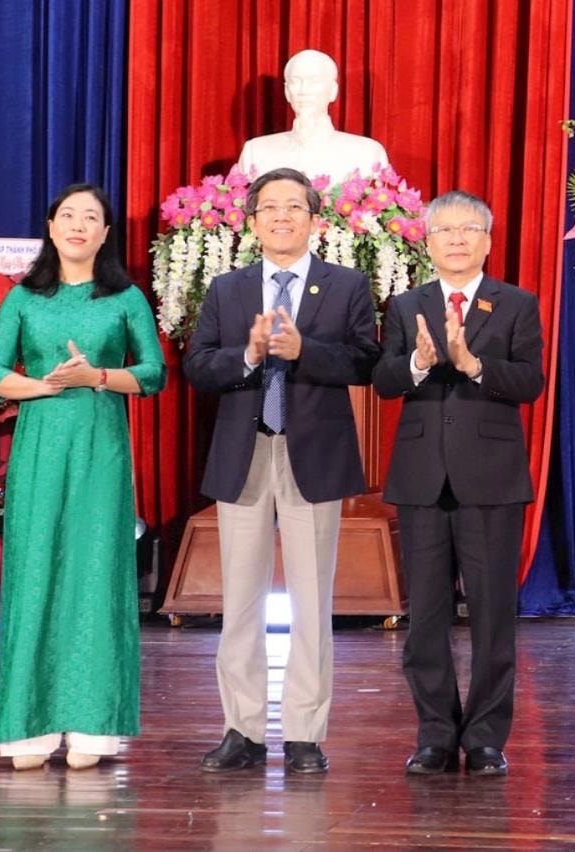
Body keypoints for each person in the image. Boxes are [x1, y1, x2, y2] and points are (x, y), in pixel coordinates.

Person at [184, 167, 380, 775]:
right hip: (244, 455)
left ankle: (304, 734)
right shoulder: (228, 287)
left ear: (314, 219)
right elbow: (198, 366)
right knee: (238, 600)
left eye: (293, 207)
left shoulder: (344, 285)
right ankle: (241, 730)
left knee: (311, 600)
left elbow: (367, 361)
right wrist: (247, 354)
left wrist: (304, 354)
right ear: (252, 221)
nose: (281, 217)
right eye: (269, 207)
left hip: (312, 455)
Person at [0, 182, 165, 769]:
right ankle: (28, 725)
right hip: (40, 444)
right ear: (51, 225)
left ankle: (92, 723)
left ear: (107, 233)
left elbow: (155, 372)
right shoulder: (24, 298)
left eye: (92, 217)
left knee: (94, 571)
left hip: (100, 448)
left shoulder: (124, 297)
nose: (79, 225)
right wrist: (45, 384)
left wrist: (97, 378)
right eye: (69, 215)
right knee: (34, 567)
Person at [373, 190, 545, 777]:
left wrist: (474, 364)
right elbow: (384, 379)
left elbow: (530, 382)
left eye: (467, 229)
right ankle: (435, 736)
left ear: (487, 241)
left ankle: (489, 738)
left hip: (492, 481)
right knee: (425, 620)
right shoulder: (406, 304)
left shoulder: (516, 304)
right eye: (443, 229)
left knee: (494, 617)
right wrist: (420, 362)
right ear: (428, 241)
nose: (455, 238)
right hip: (422, 480)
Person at [237, 50, 389, 185]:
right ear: (287, 92)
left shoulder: (367, 152)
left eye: (314, 81)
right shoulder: (256, 151)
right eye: (295, 82)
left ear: (333, 90)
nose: (303, 91)